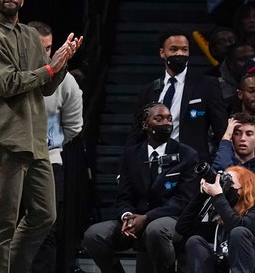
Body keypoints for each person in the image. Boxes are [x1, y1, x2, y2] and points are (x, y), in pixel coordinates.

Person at [0, 0, 82, 273]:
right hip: (3, 140)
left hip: (35, 139)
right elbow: (8, 84)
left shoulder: (30, 35)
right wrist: (50, 68)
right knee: (2, 222)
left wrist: (63, 61)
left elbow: (46, 86)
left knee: (45, 215)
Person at [84, 103, 199, 273]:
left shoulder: (187, 155)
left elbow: (184, 200)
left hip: (170, 218)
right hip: (136, 218)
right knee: (94, 234)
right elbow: (124, 196)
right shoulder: (131, 154)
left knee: (155, 230)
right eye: (158, 119)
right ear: (146, 125)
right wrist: (128, 217)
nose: (166, 123)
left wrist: (146, 217)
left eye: (168, 118)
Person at [27, 21, 84, 273]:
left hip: (49, 162)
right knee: (8, 226)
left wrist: (47, 143)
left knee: (46, 229)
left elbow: (73, 126)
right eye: (40, 48)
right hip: (9, 162)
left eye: (49, 48)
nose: (46, 54)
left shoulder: (67, 81)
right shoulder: (8, 76)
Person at [127, 28, 228, 162]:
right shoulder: (149, 90)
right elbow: (137, 132)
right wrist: (126, 167)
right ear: (162, 53)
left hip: (192, 165)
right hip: (155, 163)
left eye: (184, 50)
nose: (179, 54)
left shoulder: (206, 85)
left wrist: (223, 163)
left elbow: (221, 128)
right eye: (174, 49)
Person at [176, 165, 255, 273]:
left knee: (238, 232)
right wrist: (202, 194)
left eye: (229, 183)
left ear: (246, 188)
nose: (224, 189)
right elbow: (183, 227)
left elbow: (239, 228)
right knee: (195, 241)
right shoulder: (222, 222)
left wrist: (218, 196)